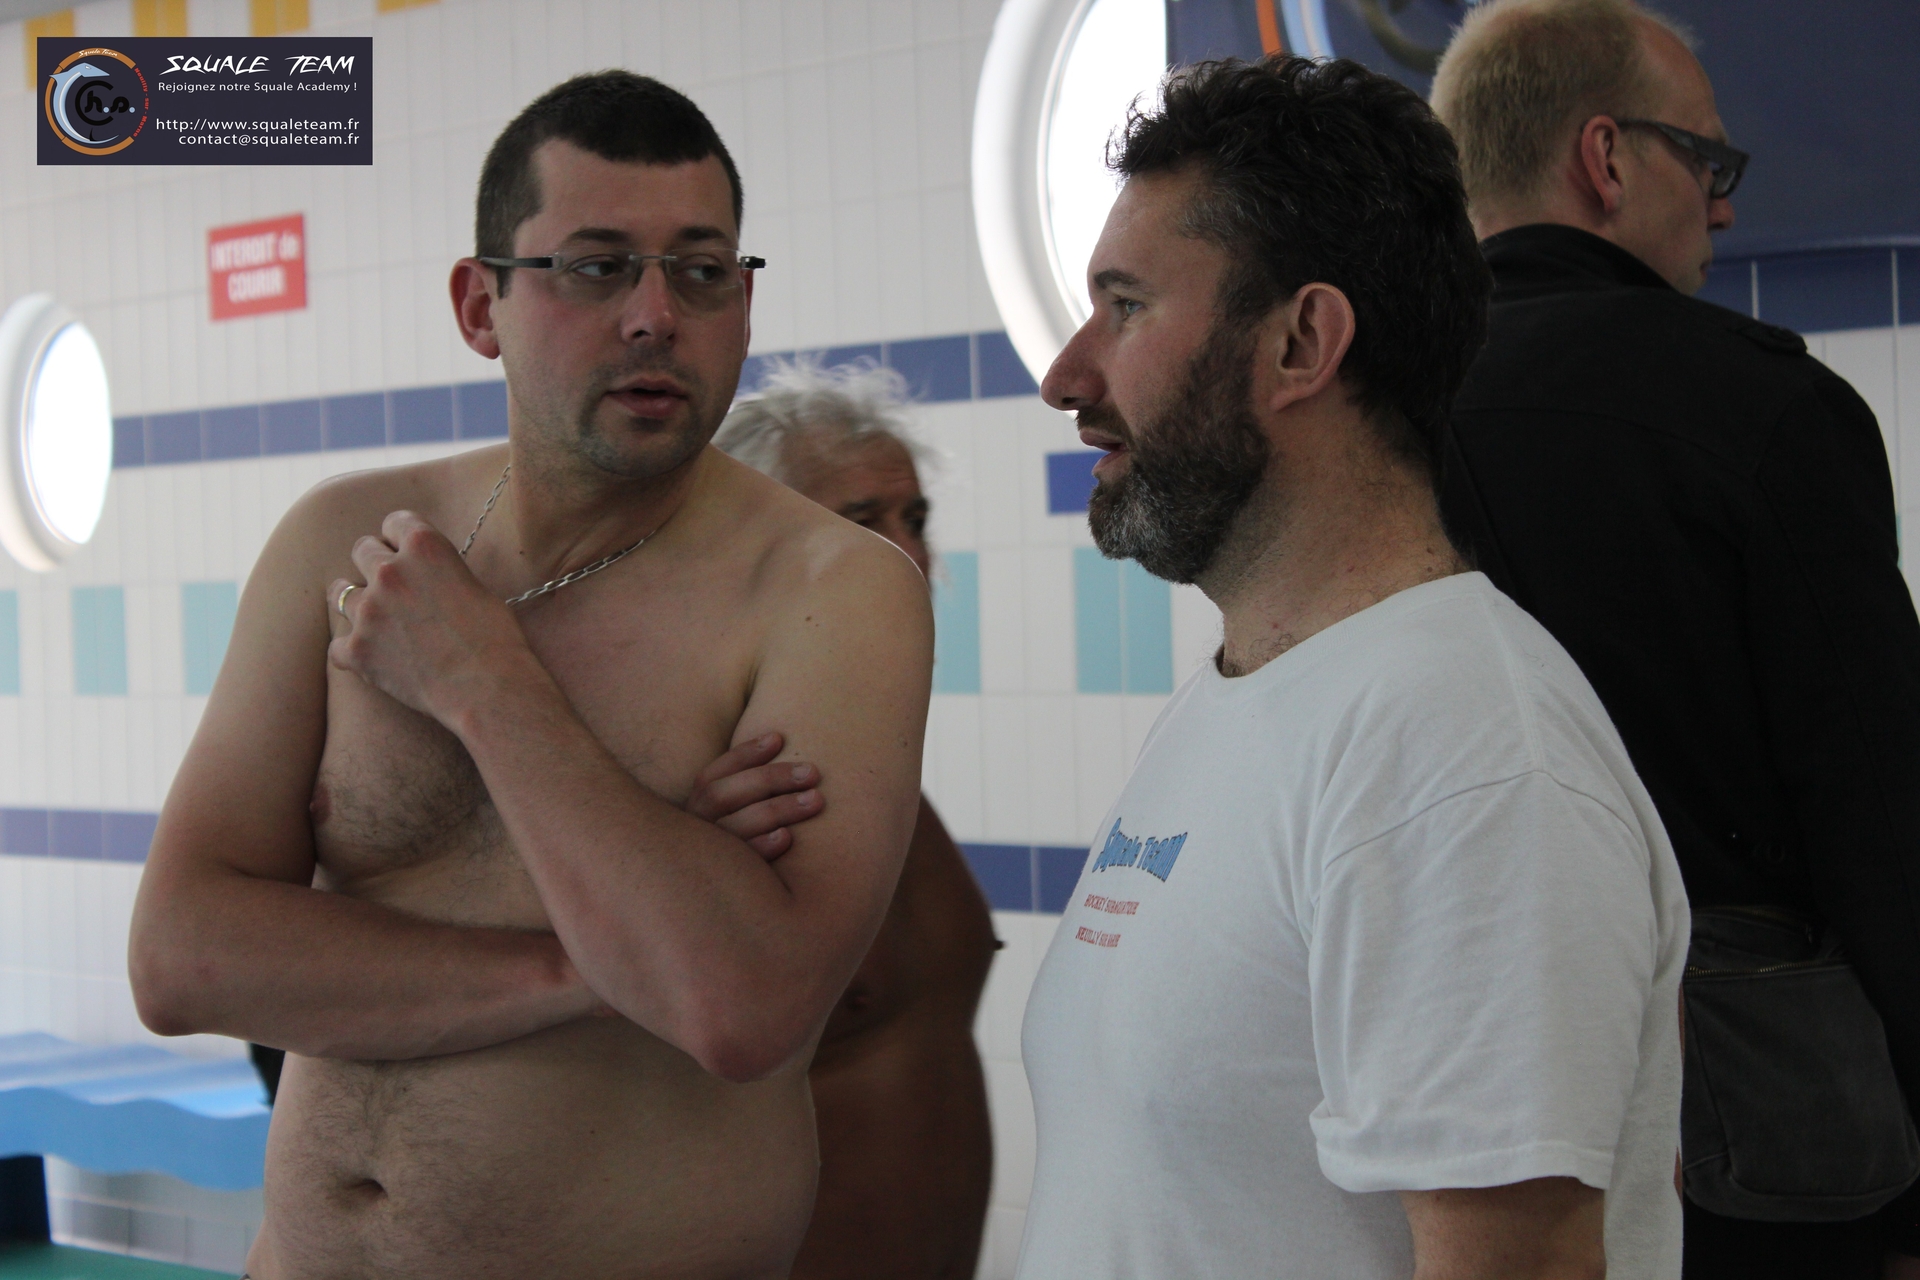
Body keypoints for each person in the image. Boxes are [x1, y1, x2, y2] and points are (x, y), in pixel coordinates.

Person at [127, 70, 933, 1280]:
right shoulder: (345, 539)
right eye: (596, 266)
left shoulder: (831, 590)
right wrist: (603, 959)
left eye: (702, 271)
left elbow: (741, 1009)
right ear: (480, 303)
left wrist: (484, 682)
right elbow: (183, 957)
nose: (655, 314)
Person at [1016, 54, 1690, 1279]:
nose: (1066, 375)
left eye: (1125, 306)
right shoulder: (1255, 691)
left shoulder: (1461, 749)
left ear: (1302, 342)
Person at [1430, 3, 1920, 1275]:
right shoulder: (1765, 406)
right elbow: (1880, 808)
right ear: (1605, 157)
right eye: (1708, 161)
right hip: (1749, 1128)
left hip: (1453, 1075)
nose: (1725, 206)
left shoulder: (1372, 413)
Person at [715, 359, 997, 1280]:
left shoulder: (877, 761)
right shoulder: (710, 778)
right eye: (862, 522)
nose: (908, 555)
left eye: (914, 519)